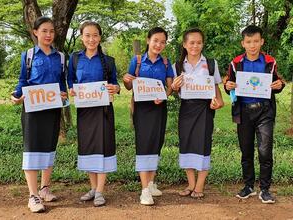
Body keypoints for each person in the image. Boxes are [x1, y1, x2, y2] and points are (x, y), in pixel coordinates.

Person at [11, 16, 67, 213]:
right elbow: (22, 81)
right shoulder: (28, 55)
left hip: (52, 109)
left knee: (48, 147)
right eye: (44, 31)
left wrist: (64, 95)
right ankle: (33, 196)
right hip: (33, 109)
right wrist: (17, 95)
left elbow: (62, 84)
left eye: (51, 31)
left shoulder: (60, 57)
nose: (49, 35)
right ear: (35, 32)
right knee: (32, 149)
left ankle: (44, 189)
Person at [224, 25, 285, 204]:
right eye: (249, 42)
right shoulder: (235, 63)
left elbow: (278, 82)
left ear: (262, 42)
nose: (252, 45)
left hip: (265, 111)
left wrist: (279, 85)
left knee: (265, 150)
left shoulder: (270, 61)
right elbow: (230, 84)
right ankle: (248, 186)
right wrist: (228, 87)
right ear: (243, 43)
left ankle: (265, 189)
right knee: (246, 150)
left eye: (256, 41)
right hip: (243, 111)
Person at [67, 21, 120, 207]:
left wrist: (116, 88)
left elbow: (115, 83)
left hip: (104, 111)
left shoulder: (109, 61)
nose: (91, 39)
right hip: (84, 112)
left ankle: (100, 191)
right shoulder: (74, 59)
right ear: (82, 37)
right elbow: (71, 81)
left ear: (100, 37)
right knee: (88, 148)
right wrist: (72, 90)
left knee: (103, 147)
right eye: (87, 35)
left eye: (95, 35)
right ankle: (92, 187)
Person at [123, 27, 174, 205]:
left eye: (162, 41)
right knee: (144, 144)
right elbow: (129, 86)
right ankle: (144, 190)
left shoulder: (166, 63)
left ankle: (151, 183)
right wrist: (126, 80)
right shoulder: (137, 61)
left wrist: (165, 96)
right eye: (155, 40)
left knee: (156, 142)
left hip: (159, 108)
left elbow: (170, 87)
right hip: (142, 109)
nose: (159, 44)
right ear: (148, 40)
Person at [171, 28, 224, 199]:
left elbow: (216, 90)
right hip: (186, 109)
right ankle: (191, 184)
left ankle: (199, 186)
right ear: (185, 45)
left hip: (205, 110)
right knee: (186, 144)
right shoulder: (177, 66)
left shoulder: (211, 63)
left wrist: (218, 102)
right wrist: (174, 87)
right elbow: (173, 91)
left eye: (199, 42)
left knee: (203, 145)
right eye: (192, 42)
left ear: (203, 44)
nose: (195, 46)